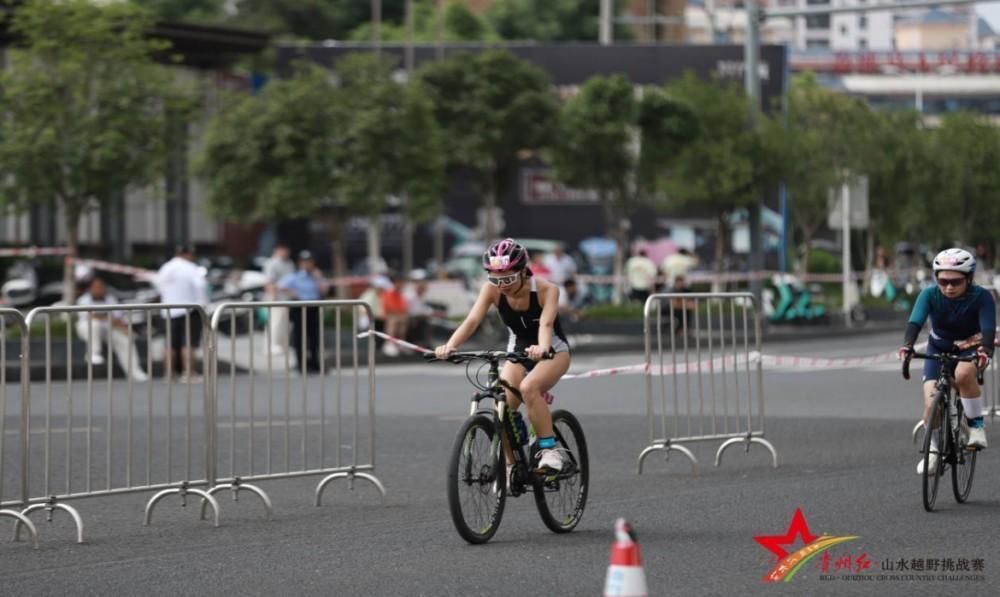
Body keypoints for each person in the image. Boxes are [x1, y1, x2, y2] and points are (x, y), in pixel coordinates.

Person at [435, 238, 571, 473]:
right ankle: (511, 466)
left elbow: (546, 323)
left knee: (529, 387)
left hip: (552, 351)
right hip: (516, 350)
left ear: (522, 271)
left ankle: (550, 451)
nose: (502, 285)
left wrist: (542, 348)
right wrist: (449, 346)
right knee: (503, 408)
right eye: (495, 278)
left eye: (507, 278)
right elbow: (472, 320)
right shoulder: (492, 290)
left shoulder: (547, 290)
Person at [899, 248, 995, 475]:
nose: (948, 287)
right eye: (943, 281)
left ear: (969, 279)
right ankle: (933, 452)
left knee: (963, 375)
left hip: (970, 348)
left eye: (956, 281)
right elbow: (915, 322)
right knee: (931, 405)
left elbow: (989, 328)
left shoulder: (981, 297)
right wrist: (908, 345)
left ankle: (976, 427)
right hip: (938, 347)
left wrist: (985, 350)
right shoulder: (929, 295)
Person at [75, 277, 149, 382]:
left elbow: (117, 318)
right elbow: (90, 317)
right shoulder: (83, 300)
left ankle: (135, 372)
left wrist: (125, 329)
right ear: (91, 288)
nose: (100, 289)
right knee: (94, 324)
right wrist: (107, 318)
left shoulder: (111, 299)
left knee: (125, 341)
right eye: (97, 286)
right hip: (87, 329)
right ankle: (94, 353)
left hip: (108, 329)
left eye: (101, 286)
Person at [156, 244, 209, 381]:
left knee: (169, 344)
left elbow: (158, 285)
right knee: (189, 343)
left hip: (168, 309)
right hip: (189, 309)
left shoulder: (166, 267)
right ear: (188, 254)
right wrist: (203, 305)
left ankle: (169, 373)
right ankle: (189, 373)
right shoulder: (191, 268)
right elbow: (200, 286)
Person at [277, 250, 327, 373]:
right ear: (300, 263)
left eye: (309, 262)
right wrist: (293, 293)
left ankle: (315, 363)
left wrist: (319, 278)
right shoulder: (295, 277)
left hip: (313, 308)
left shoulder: (316, 276)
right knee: (299, 337)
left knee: (315, 337)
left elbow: (324, 291)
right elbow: (280, 287)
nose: (307, 264)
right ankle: (301, 364)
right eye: (304, 262)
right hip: (299, 309)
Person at [262, 243, 295, 356]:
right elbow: (269, 281)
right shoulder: (272, 263)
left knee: (284, 323)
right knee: (275, 322)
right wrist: (273, 297)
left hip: (287, 297)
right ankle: (271, 345)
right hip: (276, 296)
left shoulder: (289, 263)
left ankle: (282, 344)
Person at [380, 274, 409, 357]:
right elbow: (389, 308)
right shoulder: (389, 293)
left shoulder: (401, 294)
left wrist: (401, 314)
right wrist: (399, 313)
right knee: (394, 320)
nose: (401, 285)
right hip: (389, 316)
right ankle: (390, 343)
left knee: (403, 319)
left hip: (399, 316)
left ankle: (401, 342)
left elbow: (403, 308)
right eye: (399, 282)